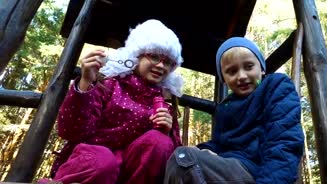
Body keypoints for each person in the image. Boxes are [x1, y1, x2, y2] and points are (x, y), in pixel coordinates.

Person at [39, 19, 184, 184]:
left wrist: (167, 133)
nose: (161, 66)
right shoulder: (108, 84)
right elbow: (70, 131)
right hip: (93, 167)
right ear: (136, 56)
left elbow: (174, 157)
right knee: (104, 162)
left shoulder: (164, 106)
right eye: (154, 56)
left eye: (168, 62)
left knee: (160, 142)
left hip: (131, 175)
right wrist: (85, 82)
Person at [164, 37, 304, 184]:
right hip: (231, 167)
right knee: (181, 157)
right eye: (232, 71)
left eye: (249, 66)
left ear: (262, 68)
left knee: (184, 159)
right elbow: (221, 143)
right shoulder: (225, 107)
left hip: (260, 171)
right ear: (224, 79)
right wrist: (204, 149)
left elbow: (284, 143)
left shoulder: (275, 87)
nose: (242, 76)